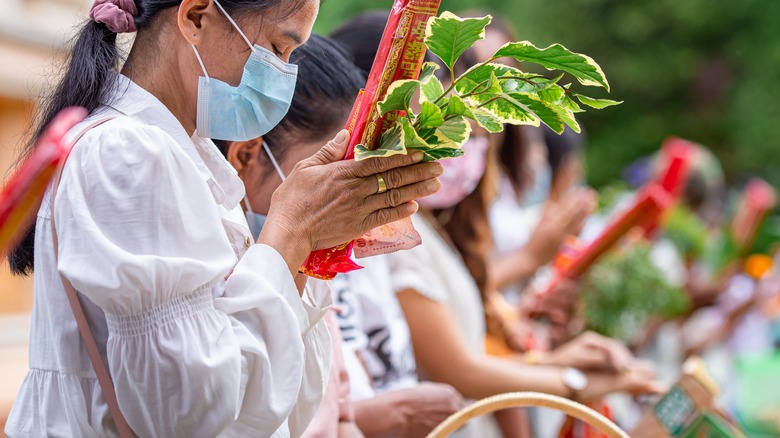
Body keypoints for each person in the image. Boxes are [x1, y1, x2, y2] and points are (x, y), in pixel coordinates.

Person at [5, 0, 442, 436]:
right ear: (196, 17)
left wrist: (313, 245)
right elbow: (186, 408)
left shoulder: (188, 154)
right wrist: (293, 229)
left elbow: (282, 403)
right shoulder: (128, 152)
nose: (283, 76)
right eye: (277, 48)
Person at [216, 33, 460, 437]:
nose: (347, 194)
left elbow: (337, 410)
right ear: (246, 156)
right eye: (330, 173)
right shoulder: (220, 272)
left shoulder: (311, 272)